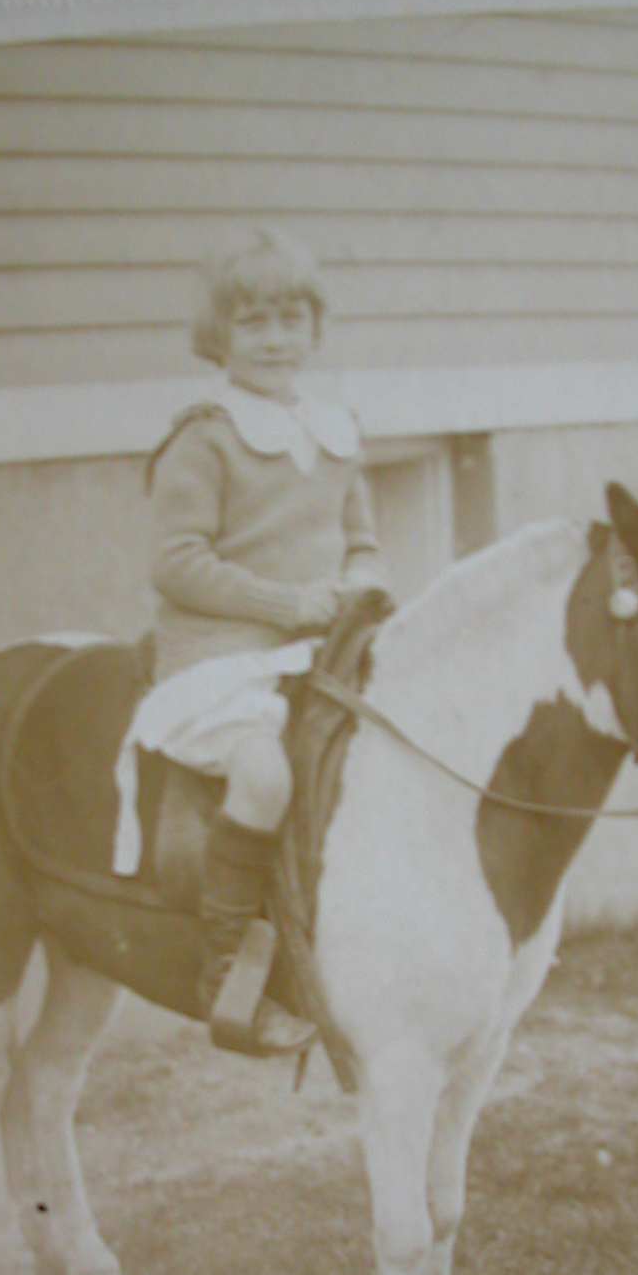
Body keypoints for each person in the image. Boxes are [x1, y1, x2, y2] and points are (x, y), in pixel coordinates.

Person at [113, 228, 391, 1052]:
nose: (275, 340)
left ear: (314, 327)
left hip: (317, 650)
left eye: (291, 320)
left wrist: (362, 585)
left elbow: (362, 540)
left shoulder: (334, 431)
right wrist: (289, 601)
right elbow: (176, 563)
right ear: (219, 335)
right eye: (253, 322)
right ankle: (227, 974)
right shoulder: (205, 437)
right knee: (265, 775)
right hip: (222, 658)